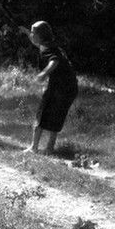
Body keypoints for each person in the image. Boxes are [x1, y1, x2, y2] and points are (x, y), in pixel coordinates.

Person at [21, 20, 78, 154]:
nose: (31, 35)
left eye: (33, 32)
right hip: (70, 87)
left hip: (59, 88)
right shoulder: (51, 45)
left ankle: (34, 147)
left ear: (40, 36)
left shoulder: (48, 50)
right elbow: (36, 42)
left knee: (41, 115)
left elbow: (54, 61)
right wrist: (25, 32)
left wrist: (44, 73)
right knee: (57, 116)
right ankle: (49, 148)